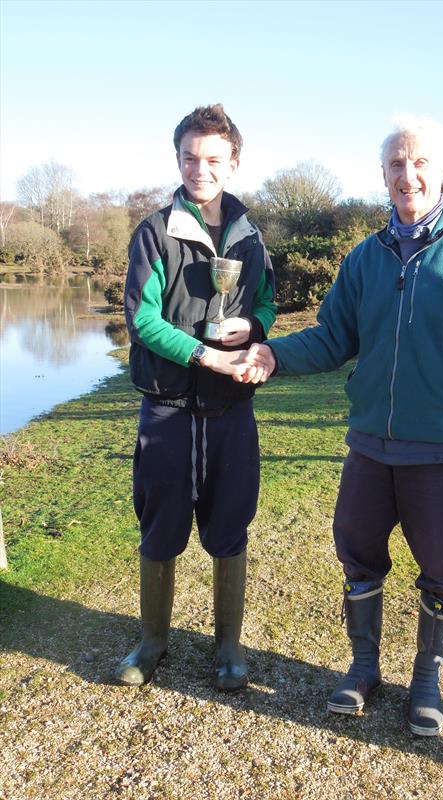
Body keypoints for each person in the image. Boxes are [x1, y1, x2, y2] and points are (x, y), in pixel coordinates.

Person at [238, 114, 443, 736]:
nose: (408, 174)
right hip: (371, 444)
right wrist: (274, 354)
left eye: (420, 162)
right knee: (357, 549)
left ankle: (427, 677)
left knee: (440, 565)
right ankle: (364, 666)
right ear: (383, 176)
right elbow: (334, 336)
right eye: (397, 164)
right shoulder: (364, 259)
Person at [117, 104, 276, 690]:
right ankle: (153, 640)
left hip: (230, 407)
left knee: (230, 522)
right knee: (160, 523)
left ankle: (228, 645)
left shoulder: (252, 237)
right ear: (178, 159)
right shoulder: (155, 232)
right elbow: (142, 321)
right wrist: (206, 354)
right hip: (166, 403)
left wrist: (252, 330)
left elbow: (266, 304)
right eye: (190, 157)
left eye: (213, 159)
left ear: (233, 163)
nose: (200, 169)